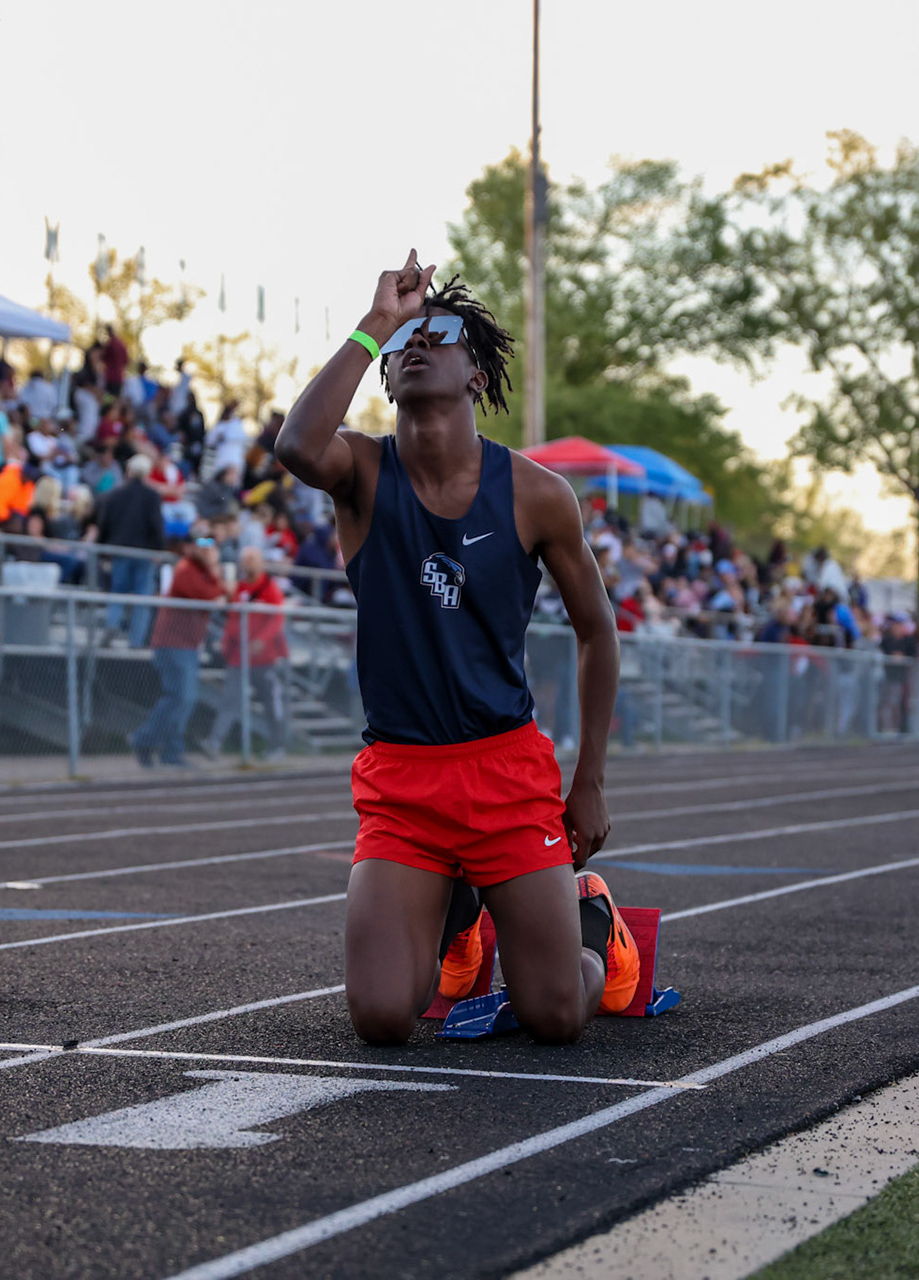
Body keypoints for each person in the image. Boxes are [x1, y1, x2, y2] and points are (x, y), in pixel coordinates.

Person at [275, 252, 631, 1046]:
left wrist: (591, 781)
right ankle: (458, 924)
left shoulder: (538, 492)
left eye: (438, 333)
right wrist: (377, 322)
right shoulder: (363, 471)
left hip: (505, 773)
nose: (415, 344)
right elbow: (297, 445)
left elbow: (596, 629)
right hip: (403, 780)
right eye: (405, 339)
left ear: (476, 374)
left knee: (554, 1015)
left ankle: (597, 929)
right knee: (380, 1019)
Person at [132, 523, 226, 766]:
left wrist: (215, 576)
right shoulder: (186, 569)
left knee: (183, 698)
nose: (208, 549)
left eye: (211, 545)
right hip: (172, 643)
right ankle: (145, 740)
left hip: (188, 645)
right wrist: (215, 570)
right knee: (182, 697)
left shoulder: (201, 569)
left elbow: (226, 595)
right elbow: (210, 594)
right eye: (203, 544)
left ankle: (169, 751)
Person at [200, 545, 290, 759]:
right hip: (239, 657)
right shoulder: (240, 589)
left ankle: (277, 746)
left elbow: (277, 618)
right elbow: (233, 619)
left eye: (251, 559)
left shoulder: (270, 588)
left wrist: (261, 640)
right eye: (245, 559)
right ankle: (214, 742)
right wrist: (226, 639)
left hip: (265, 659)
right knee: (230, 699)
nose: (247, 563)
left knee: (271, 703)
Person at [86, 452, 166, 647]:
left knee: (118, 592)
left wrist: (103, 549)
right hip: (144, 554)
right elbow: (156, 525)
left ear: (129, 471)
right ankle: (135, 642)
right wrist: (159, 549)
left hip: (120, 551)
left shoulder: (116, 495)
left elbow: (104, 524)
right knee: (141, 597)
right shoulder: (152, 497)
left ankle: (112, 626)